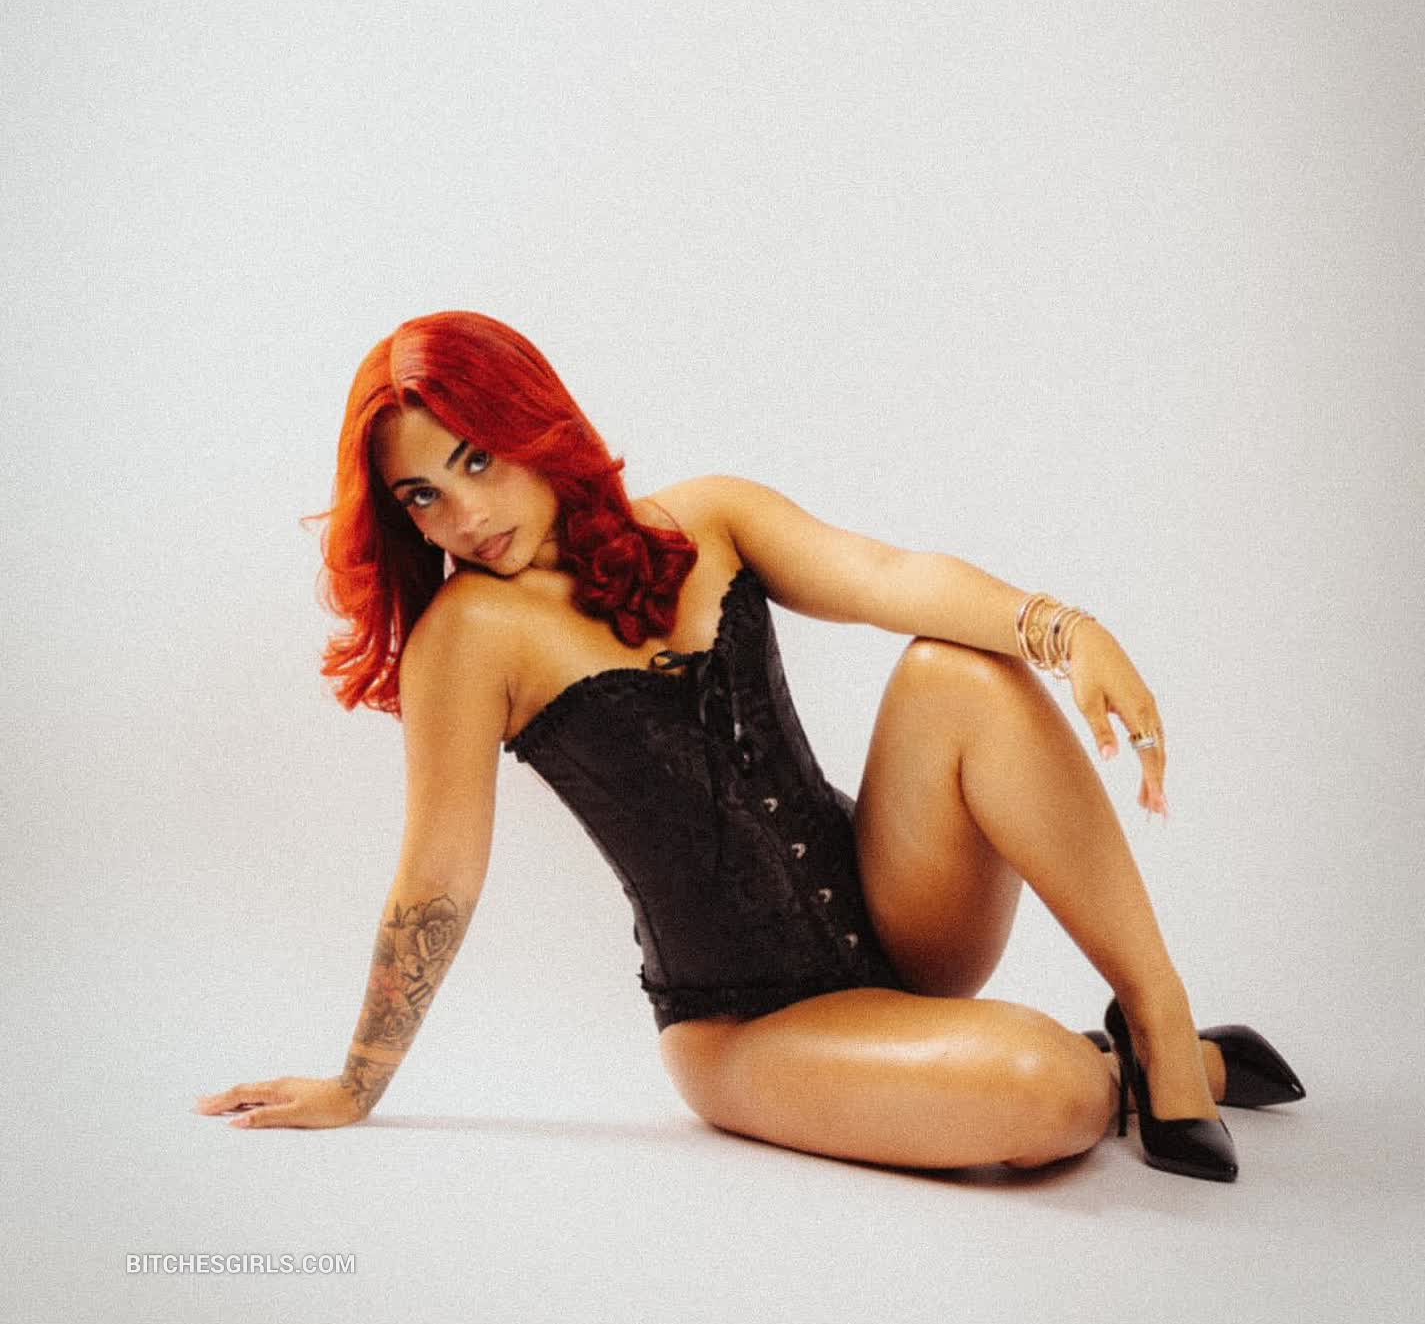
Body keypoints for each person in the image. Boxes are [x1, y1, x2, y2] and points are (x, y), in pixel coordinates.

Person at [196, 309, 1303, 1180]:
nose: (464, 516)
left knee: (957, 669)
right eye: (423, 496)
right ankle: (1118, 1070)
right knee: (1048, 1091)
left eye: (476, 460)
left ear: (534, 424)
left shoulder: (710, 518)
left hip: (901, 917)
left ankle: (1159, 1020)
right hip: (744, 1025)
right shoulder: (466, 639)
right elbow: (438, 874)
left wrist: (1067, 630)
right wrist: (356, 1082)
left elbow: (884, 575)